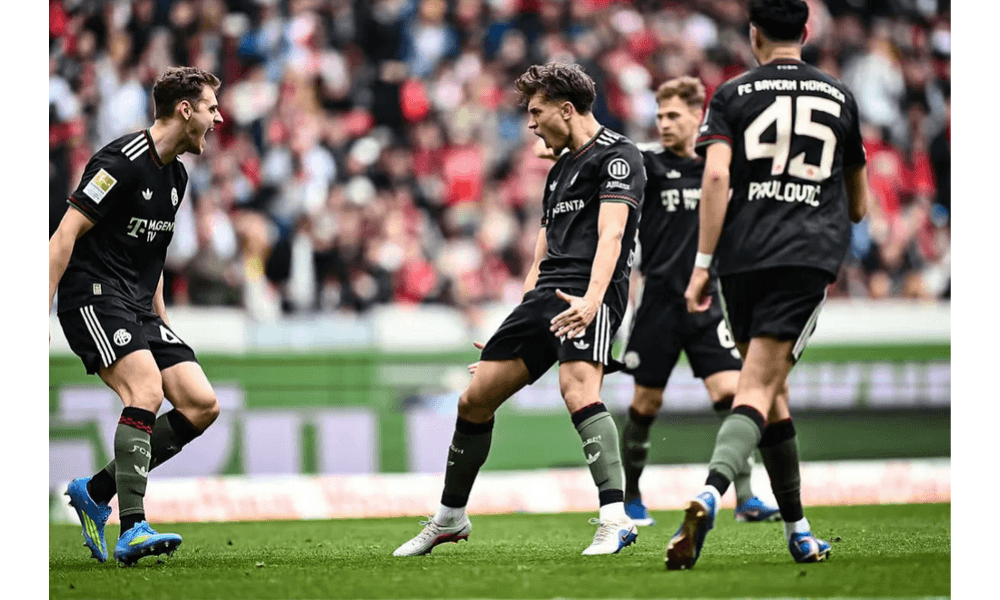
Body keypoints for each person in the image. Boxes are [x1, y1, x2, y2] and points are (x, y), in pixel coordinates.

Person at [393, 62, 646, 557]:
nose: (530, 123)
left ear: (566, 110)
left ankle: (615, 518)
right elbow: (539, 256)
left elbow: (613, 234)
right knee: (474, 399)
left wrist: (594, 300)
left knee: (577, 389)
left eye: (536, 111)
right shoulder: (558, 170)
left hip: (587, 291)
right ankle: (450, 518)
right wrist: (512, 327)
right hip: (545, 295)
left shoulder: (619, 156)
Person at [665, 0, 869, 569]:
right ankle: (711, 491)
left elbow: (716, 174)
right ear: (805, 32)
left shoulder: (730, 95)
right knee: (759, 385)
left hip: (740, 257)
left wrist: (703, 261)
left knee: (770, 389)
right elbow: (859, 206)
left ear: (753, 34)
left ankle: (799, 531)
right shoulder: (840, 97)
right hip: (803, 258)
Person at [49, 66, 225, 566]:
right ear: (185, 110)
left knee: (200, 404)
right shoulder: (120, 161)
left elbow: (155, 254)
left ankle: (95, 490)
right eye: (211, 108)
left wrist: (162, 323)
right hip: (93, 295)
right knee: (145, 389)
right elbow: (62, 237)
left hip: (137, 303)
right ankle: (132, 528)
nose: (218, 117)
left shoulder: (177, 177)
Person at [619, 76, 780, 527]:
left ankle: (746, 496)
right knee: (645, 404)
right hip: (658, 302)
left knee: (732, 394)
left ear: (697, 116)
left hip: (707, 304)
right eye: (659, 115)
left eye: (673, 115)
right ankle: (631, 496)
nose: (664, 123)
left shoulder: (718, 166)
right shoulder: (645, 163)